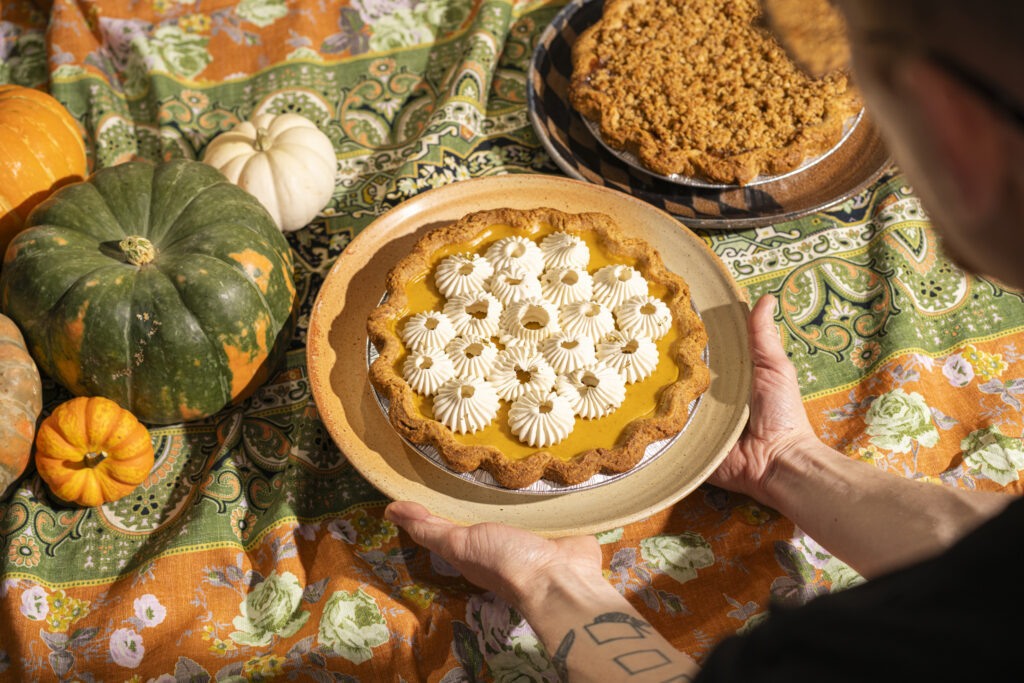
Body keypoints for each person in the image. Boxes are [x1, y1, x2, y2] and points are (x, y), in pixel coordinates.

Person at [386, 0, 1024, 679]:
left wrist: (551, 583)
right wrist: (786, 461)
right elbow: (993, 569)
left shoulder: (827, 652)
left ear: (955, 129)